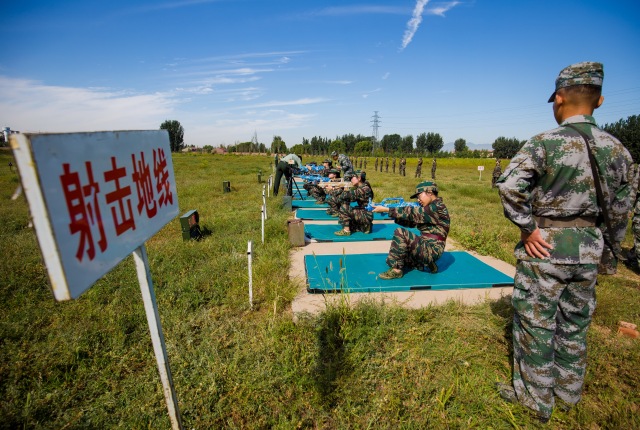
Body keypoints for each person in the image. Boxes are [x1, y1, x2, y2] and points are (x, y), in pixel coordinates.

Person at [496, 62, 634, 423]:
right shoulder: (619, 150)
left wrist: (528, 228)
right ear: (600, 101)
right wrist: (609, 249)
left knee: (536, 322)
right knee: (575, 322)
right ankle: (569, 393)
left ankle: (535, 399)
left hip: (546, 246)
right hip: (590, 246)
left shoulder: (546, 142)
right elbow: (621, 210)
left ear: (559, 98)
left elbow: (511, 186)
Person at [372, 181, 449, 278]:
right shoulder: (429, 209)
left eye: (419, 196)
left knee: (400, 233)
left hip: (432, 249)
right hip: (426, 245)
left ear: (429, 192)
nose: (418, 200)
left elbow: (412, 213)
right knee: (402, 256)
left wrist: (388, 210)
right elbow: (412, 222)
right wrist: (392, 215)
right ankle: (427, 262)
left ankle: (396, 271)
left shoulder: (437, 207)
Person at [333, 171, 374, 236]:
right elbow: (347, 199)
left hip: (366, 215)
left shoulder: (364, 189)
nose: (351, 180)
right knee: (345, 203)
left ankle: (346, 231)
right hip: (364, 213)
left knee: (344, 207)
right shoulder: (362, 187)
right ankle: (363, 227)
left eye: (352, 178)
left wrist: (337, 189)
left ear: (359, 178)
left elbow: (344, 195)